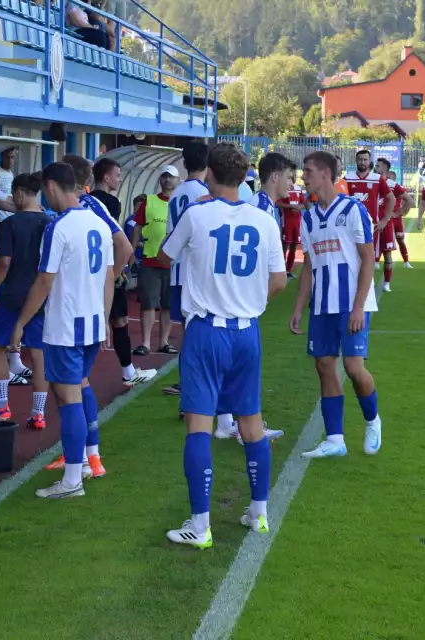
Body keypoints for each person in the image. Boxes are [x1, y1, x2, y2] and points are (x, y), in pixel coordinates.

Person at [158, 142, 287, 548]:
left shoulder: (197, 213)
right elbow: (280, 280)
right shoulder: (264, 219)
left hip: (206, 331)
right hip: (246, 331)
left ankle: (200, 526)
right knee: (252, 424)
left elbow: (165, 257)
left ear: (209, 174)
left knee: (199, 424)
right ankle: (259, 514)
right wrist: (247, 301)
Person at [17, 162, 114, 498]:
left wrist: (20, 323)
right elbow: (108, 275)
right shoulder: (99, 224)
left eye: (46, 190)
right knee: (78, 388)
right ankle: (90, 457)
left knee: (68, 397)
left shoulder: (59, 227)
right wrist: (104, 318)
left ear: (53, 186)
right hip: (91, 323)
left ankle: (73, 479)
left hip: (66, 325)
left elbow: (45, 280)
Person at [41, 154, 131, 474]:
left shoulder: (85, 208)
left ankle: (79, 459)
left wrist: (105, 282)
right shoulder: (89, 208)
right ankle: (88, 454)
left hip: (74, 311)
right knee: (78, 383)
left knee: (71, 388)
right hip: (88, 308)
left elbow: (124, 247)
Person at [292, 151, 381, 460]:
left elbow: (369, 259)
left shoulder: (354, 210)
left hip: (351, 303)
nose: (303, 176)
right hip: (322, 304)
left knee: (354, 368)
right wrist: (298, 307)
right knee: (324, 366)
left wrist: (358, 307)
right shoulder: (308, 217)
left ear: (326, 175)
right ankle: (335, 439)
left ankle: (372, 421)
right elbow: (308, 267)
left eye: (308, 170)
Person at [0, 173, 52, 430]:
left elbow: (4, 262)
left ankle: (1, 407)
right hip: (41, 298)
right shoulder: (49, 222)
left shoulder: (10, 224)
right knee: (39, 354)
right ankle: (38, 413)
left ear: (20, 193)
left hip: (12, 296)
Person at [89, 157, 155, 388]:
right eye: (117, 175)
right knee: (119, 320)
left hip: (88, 267)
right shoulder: (110, 203)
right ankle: (128, 371)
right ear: (106, 178)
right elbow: (116, 241)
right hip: (106, 266)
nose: (119, 179)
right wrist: (117, 271)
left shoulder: (83, 202)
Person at [162, 142, 211, 404]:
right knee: (201, 333)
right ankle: (193, 387)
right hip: (196, 273)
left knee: (188, 332)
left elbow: (171, 235)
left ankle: (187, 383)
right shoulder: (204, 193)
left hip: (177, 270)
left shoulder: (176, 193)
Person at [131, 165, 179, 356]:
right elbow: (137, 227)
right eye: (164, 176)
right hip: (150, 258)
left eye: (171, 177)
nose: (167, 180)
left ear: (177, 180)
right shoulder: (149, 201)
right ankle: (145, 342)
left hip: (173, 261)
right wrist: (132, 251)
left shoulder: (180, 202)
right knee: (148, 302)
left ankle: (164, 342)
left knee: (167, 304)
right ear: (160, 180)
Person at [344, 151, 395, 288]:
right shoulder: (347, 179)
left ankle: (366, 288)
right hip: (349, 226)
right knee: (349, 256)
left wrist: (385, 219)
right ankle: (351, 285)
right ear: (356, 160)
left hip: (370, 226)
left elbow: (391, 198)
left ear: (369, 160)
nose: (362, 162)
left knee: (368, 258)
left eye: (365, 159)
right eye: (360, 159)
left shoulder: (377, 179)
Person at [372, 159, 411, 290]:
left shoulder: (392, 185)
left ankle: (386, 283)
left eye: (378, 166)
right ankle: (367, 283)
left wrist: (396, 214)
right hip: (370, 224)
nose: (375, 167)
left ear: (385, 169)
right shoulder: (370, 181)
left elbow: (410, 200)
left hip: (386, 224)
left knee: (388, 253)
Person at [383, 167, 413, 269]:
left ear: (394, 179)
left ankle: (406, 261)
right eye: (387, 178)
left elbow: (408, 201)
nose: (388, 180)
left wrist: (400, 213)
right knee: (383, 241)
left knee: (400, 240)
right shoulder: (382, 187)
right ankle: (377, 262)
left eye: (390, 178)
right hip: (387, 218)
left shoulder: (398, 188)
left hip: (397, 219)